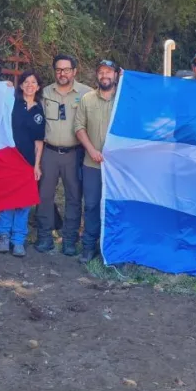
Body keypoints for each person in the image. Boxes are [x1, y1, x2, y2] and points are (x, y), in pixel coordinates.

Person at [37, 54, 91, 255]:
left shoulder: (86, 94)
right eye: (58, 69)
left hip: (74, 154)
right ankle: (44, 237)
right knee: (44, 196)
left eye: (66, 69)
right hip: (49, 152)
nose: (62, 73)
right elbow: (22, 98)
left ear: (74, 71)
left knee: (74, 198)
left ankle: (69, 240)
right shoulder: (43, 93)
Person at [75, 60, 120, 264]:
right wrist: (91, 150)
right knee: (92, 205)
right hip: (92, 164)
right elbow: (78, 127)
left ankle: (112, 247)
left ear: (117, 75)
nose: (104, 76)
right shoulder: (87, 99)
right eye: (101, 72)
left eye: (109, 72)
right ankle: (89, 246)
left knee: (115, 205)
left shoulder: (125, 100)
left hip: (118, 168)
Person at [0, 71, 45, 257]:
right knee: (7, 200)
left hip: (27, 163)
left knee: (24, 202)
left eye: (33, 82)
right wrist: (3, 87)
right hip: (9, 161)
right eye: (26, 82)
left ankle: (18, 240)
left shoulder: (39, 111)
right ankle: (4, 237)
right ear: (21, 85)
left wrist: (37, 165)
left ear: (38, 87)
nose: (29, 85)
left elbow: (39, 141)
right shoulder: (12, 103)